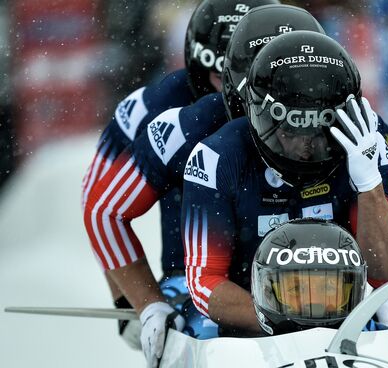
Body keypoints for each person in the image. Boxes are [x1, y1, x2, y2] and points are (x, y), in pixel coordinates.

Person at [83, 3, 327, 367]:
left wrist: (385, 296)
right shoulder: (167, 114)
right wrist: (138, 301)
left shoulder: (343, 118)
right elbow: (102, 206)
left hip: (310, 280)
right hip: (197, 282)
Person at [180, 30, 388, 336]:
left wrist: (369, 185)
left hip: (337, 316)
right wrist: (281, 324)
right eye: (289, 131)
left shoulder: (366, 146)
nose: (304, 147)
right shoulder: (216, 158)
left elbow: (386, 267)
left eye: (317, 134)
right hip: (247, 319)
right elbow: (204, 279)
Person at [251, 218, 367, 335]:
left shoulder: (381, 344)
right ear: (268, 293)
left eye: (328, 288)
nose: (314, 302)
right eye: (296, 289)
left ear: (352, 292)